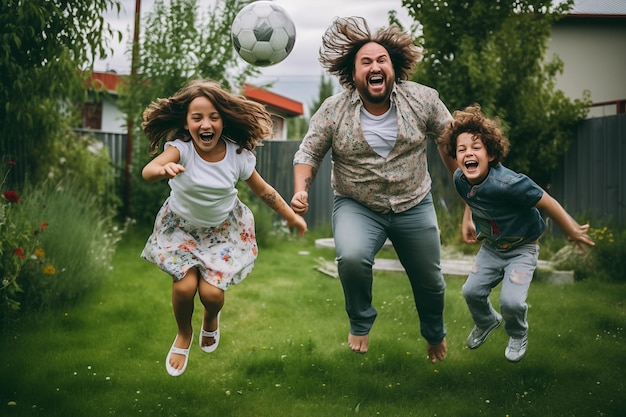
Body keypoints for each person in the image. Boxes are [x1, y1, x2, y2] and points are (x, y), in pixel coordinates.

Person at [291, 17, 458, 362]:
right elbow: (308, 152)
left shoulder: (423, 100)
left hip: (414, 202)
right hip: (358, 205)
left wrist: (470, 197)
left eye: (381, 60)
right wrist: (300, 189)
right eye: (365, 62)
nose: (374, 66)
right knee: (351, 257)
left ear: (393, 68)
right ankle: (360, 321)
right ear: (353, 75)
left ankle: (434, 333)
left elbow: (451, 143)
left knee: (431, 282)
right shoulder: (333, 111)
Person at [141, 79, 307, 376]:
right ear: (187, 122)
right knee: (184, 287)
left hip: (223, 231)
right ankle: (183, 333)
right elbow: (148, 170)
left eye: (213, 117)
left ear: (223, 120)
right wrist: (161, 169)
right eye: (197, 118)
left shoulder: (237, 156)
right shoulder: (180, 150)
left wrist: (290, 216)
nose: (206, 124)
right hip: (181, 229)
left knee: (212, 295)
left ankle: (211, 317)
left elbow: (263, 190)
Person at [440, 104, 595, 362]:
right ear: (455, 156)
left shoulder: (509, 184)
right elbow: (470, 197)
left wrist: (570, 229)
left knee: (511, 302)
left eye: (476, 147)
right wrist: (468, 219)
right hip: (491, 247)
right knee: (471, 292)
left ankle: (517, 332)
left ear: (490, 154)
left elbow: (547, 201)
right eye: (461, 149)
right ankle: (487, 321)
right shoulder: (460, 179)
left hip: (522, 248)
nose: (468, 153)